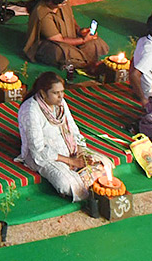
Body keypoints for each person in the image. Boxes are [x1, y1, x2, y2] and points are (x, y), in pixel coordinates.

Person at [16, 72, 95, 201]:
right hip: (43, 157)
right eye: (56, 93)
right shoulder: (31, 110)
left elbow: (73, 129)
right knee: (66, 183)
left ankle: (83, 180)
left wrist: (80, 151)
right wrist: (71, 161)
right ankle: (82, 186)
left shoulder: (61, 103)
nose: (61, 96)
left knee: (101, 164)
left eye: (62, 92)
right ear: (42, 93)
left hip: (68, 149)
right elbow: (38, 150)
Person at [23, 0, 109, 71]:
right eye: (61, 3)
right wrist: (83, 40)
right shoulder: (42, 13)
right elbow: (58, 39)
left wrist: (79, 31)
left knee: (95, 43)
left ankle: (81, 60)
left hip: (70, 37)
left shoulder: (63, 1)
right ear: (50, 2)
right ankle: (82, 62)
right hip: (51, 44)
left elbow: (71, 19)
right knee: (63, 52)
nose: (63, 4)